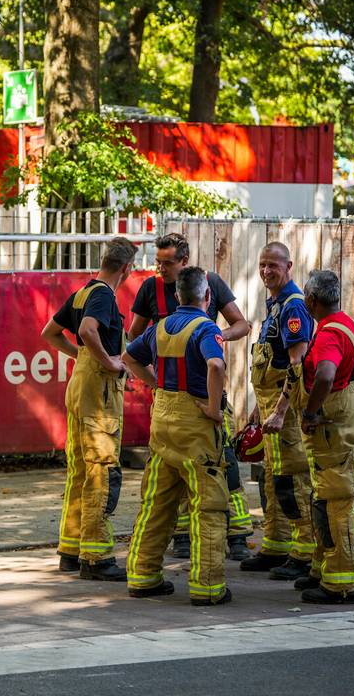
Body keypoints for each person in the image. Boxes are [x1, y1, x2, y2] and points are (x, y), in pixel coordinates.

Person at [128, 232, 253, 561]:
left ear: (185, 262)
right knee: (173, 472)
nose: (160, 269)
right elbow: (133, 339)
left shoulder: (209, 283)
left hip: (204, 395)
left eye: (167, 263)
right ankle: (183, 536)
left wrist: (211, 336)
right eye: (157, 262)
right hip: (171, 397)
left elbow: (242, 325)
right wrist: (155, 380)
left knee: (223, 465)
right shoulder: (150, 290)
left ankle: (237, 534)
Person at [122, 266, 233, 606]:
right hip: (196, 426)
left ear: (176, 296)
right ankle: (208, 586)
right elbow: (215, 366)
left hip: (163, 422)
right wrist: (215, 410)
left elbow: (128, 357)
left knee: (156, 503)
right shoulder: (206, 328)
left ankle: (142, 576)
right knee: (208, 506)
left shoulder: (160, 328)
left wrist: (155, 384)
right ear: (207, 296)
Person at [40, 236, 137, 581]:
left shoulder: (82, 292)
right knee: (101, 471)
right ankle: (96, 557)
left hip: (80, 386)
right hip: (98, 394)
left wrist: (82, 355)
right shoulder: (103, 296)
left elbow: (50, 333)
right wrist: (110, 362)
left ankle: (71, 549)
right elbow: (86, 329)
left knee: (80, 470)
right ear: (126, 268)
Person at [294, 270, 354, 604]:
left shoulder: (328, 335)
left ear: (312, 301)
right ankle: (322, 569)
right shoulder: (349, 325)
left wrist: (312, 411)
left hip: (331, 428)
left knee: (335, 502)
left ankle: (341, 583)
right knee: (323, 497)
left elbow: (326, 374)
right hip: (349, 418)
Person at [241, 241, 317, 582]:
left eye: (274, 265)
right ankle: (276, 545)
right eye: (262, 265)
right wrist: (261, 406)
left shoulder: (294, 307)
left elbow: (297, 364)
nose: (266, 271)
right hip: (271, 409)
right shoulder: (274, 303)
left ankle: (305, 552)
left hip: (285, 416)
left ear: (289, 266)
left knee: (294, 482)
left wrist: (281, 411)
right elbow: (274, 359)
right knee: (272, 481)